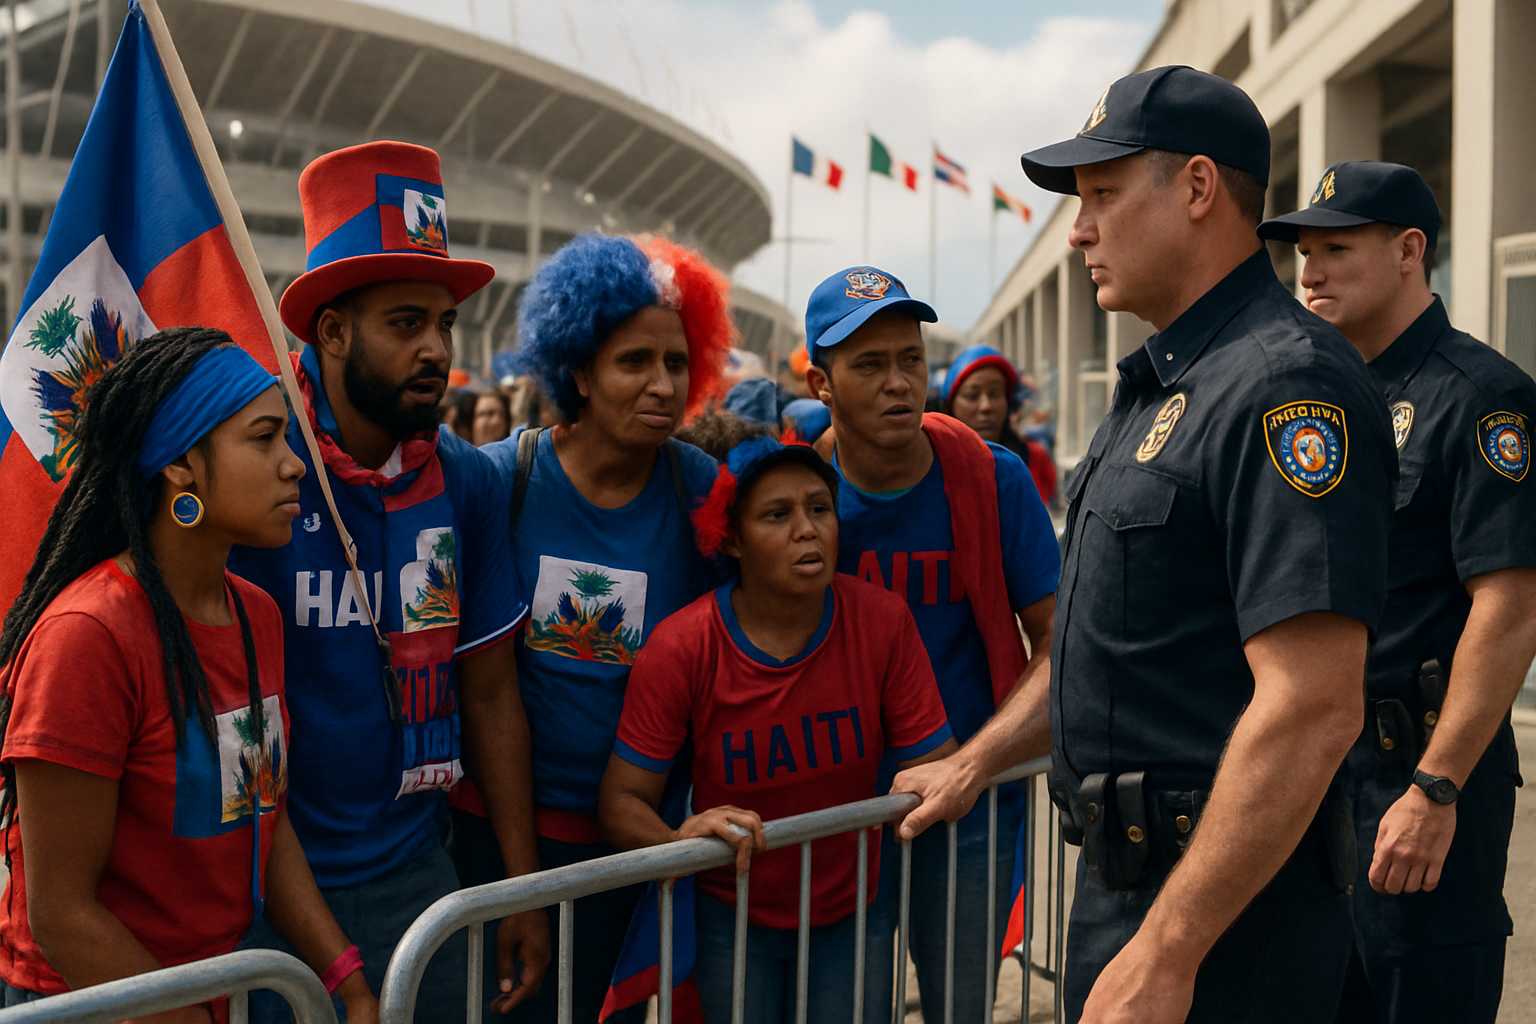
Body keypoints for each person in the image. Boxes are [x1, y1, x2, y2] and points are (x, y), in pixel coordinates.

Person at [986, 66, 1400, 1024]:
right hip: (1144, 889)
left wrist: (1169, 953)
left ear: (1200, 189)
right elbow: (1115, 642)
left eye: (1100, 195)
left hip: (1225, 916)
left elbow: (1311, 706)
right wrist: (978, 759)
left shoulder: (1286, 386)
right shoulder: (1163, 386)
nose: (1078, 229)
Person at [228, 141, 547, 1023]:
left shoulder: (467, 481)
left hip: (420, 880)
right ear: (332, 331)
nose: (437, 349)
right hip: (259, 888)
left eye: (444, 324)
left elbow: (488, 695)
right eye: (407, 323)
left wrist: (519, 885)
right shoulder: (252, 472)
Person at [0, 327, 376, 1024]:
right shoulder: (87, 638)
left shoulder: (257, 614)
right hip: (83, 1002)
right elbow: (61, 913)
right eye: (264, 439)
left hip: (204, 995)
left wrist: (347, 979)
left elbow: (265, 815)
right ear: (181, 469)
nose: (294, 465)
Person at [1259, 161, 1536, 1024]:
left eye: (1337, 248)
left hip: (1417, 772)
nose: (1311, 271)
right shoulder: (1322, 394)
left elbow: (1511, 606)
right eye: (1303, 251)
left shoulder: (1484, 398)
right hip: (1320, 777)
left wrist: (1438, 788)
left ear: (1410, 251)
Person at [455, 231, 731, 1024]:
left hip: (630, 850)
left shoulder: (700, 490)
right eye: (633, 361)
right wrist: (519, 882)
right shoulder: (506, 477)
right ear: (577, 370)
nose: (662, 384)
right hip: (492, 839)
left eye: (676, 363)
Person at [598, 436, 957, 1024]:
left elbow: (937, 766)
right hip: (729, 918)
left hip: (852, 914)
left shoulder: (882, 619)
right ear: (732, 539)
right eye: (777, 514)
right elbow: (619, 802)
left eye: (819, 508)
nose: (807, 529)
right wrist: (680, 842)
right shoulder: (683, 646)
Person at [800, 266, 1060, 1024]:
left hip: (967, 810)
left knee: (962, 1009)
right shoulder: (797, 497)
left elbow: (1059, 642)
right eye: (869, 364)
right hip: (834, 812)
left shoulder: (992, 478)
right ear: (821, 382)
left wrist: (970, 766)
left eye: (910, 360)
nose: (897, 383)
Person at [940, 345, 1057, 504]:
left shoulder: (1035, 458)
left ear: (1009, 402)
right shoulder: (933, 468)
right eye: (972, 396)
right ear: (950, 406)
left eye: (995, 394)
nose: (986, 406)